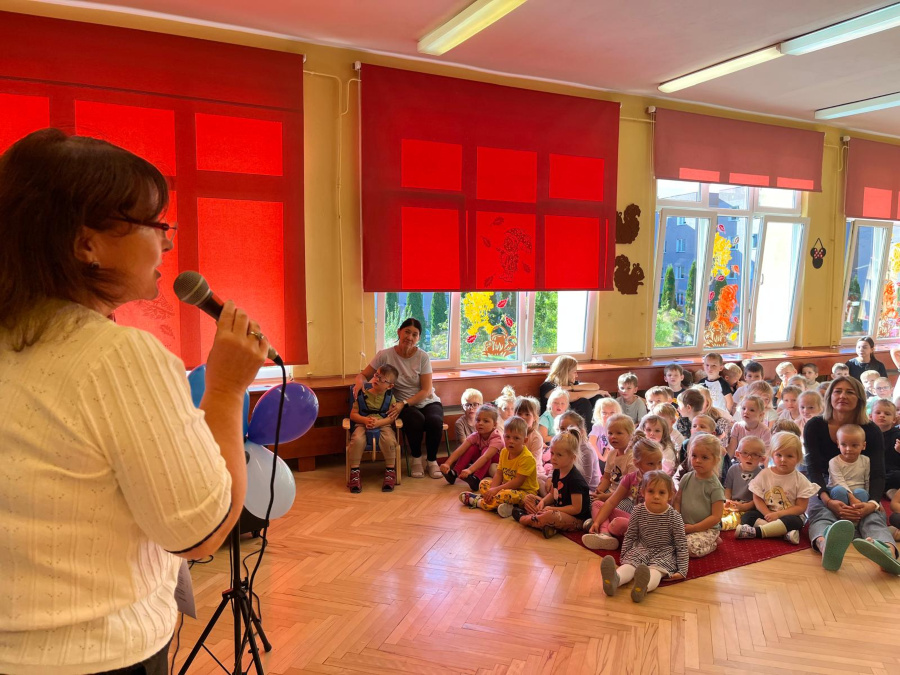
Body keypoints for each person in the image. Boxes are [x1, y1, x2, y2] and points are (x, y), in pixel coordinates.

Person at [0, 129, 268, 674]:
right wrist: (224, 390)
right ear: (85, 243)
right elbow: (200, 534)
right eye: (156, 225)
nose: (167, 244)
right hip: (97, 656)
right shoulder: (117, 357)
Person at [802, 376, 900, 574]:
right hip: (821, 483)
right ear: (829, 396)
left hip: (858, 485)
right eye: (838, 391)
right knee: (820, 512)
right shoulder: (814, 425)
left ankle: (887, 552)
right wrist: (827, 500)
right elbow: (813, 469)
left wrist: (871, 503)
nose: (842, 396)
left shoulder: (870, 430)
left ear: (860, 399)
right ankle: (826, 545)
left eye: (849, 392)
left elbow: (878, 473)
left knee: (874, 515)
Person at [356, 318, 444, 479]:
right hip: (401, 404)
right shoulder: (385, 355)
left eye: (415, 334)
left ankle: (432, 461)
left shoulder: (423, 357)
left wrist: (404, 403)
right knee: (415, 420)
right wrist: (359, 384)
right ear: (399, 332)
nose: (410, 337)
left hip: (424, 400)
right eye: (407, 332)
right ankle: (416, 459)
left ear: (418, 338)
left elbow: (426, 390)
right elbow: (363, 375)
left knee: (434, 421)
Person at [599, 471, 688, 603]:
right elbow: (630, 534)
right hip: (642, 548)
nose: (656, 496)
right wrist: (625, 555)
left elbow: (681, 544)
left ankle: (642, 587)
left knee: (655, 571)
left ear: (670, 495)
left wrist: (682, 569)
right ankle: (614, 580)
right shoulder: (638, 511)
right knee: (629, 565)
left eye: (661, 493)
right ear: (642, 492)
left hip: (664, 553)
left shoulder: (674, 517)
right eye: (651, 491)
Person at [583, 434, 663, 550]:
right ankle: (604, 534)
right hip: (635, 519)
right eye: (651, 464)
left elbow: (672, 509)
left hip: (654, 526)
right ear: (637, 463)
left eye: (659, 462)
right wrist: (597, 522)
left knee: (617, 524)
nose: (657, 467)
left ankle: (623, 537)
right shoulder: (631, 478)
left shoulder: (663, 481)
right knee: (597, 504)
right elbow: (611, 502)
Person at [735, 432, 818, 544]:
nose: (783, 459)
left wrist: (778, 515)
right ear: (772, 455)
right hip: (767, 514)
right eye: (779, 455)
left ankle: (755, 532)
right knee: (748, 517)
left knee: (795, 522)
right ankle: (783, 533)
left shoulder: (800, 480)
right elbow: (757, 498)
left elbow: (800, 507)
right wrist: (767, 513)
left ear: (798, 457)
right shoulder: (764, 474)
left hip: (787, 516)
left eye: (789, 456)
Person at [514, 429, 591, 538]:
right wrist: (543, 502)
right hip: (556, 509)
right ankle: (547, 525)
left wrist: (552, 509)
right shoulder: (557, 471)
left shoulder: (575, 480)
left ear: (572, 458)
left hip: (576, 519)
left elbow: (576, 508)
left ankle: (525, 518)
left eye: (559, 455)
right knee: (529, 498)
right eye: (552, 453)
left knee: (550, 516)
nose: (553, 458)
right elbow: (552, 493)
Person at [459, 416, 539, 512]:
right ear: (503, 436)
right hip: (505, 487)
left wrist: (496, 490)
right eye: (507, 437)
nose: (511, 441)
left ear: (524, 441)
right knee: (484, 483)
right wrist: (492, 490)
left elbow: (517, 482)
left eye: (516, 438)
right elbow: (499, 473)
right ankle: (504, 506)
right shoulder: (504, 451)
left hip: (525, 492)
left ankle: (479, 502)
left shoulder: (527, 458)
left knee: (506, 494)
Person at [347, 364, 401, 493]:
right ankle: (354, 472)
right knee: (357, 440)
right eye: (376, 375)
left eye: (382, 379)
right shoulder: (361, 394)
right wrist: (365, 420)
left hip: (383, 424)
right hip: (362, 423)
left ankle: (390, 470)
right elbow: (353, 415)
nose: (377, 379)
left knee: (389, 440)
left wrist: (380, 423)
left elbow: (392, 417)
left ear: (390, 386)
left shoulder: (390, 397)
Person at [675, 433, 726, 558]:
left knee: (687, 548)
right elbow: (677, 501)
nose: (697, 460)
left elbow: (716, 517)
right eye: (694, 456)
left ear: (715, 460)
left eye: (704, 457)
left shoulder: (715, 486)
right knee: (660, 541)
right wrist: (677, 521)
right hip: (685, 526)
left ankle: (713, 542)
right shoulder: (686, 478)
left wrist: (694, 528)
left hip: (706, 529)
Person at [441, 404, 502, 490]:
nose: (480, 423)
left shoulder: (497, 438)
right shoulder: (476, 435)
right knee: (472, 448)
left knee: (485, 450)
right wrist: (447, 463)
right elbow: (460, 450)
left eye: (486, 421)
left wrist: (470, 470)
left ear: (494, 424)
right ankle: (454, 473)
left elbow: (486, 457)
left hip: (495, 467)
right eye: (478, 420)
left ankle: (477, 479)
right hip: (481, 464)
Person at [539, 354, 605, 422]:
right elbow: (575, 396)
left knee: (597, 397)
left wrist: (570, 387)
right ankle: (587, 431)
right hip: (554, 422)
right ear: (565, 373)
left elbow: (596, 386)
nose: (576, 375)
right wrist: (597, 391)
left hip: (570, 417)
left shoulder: (570, 384)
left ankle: (601, 427)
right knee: (583, 402)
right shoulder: (548, 386)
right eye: (574, 372)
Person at [557, 410, 602, 492]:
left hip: (587, 489)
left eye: (571, 429)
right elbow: (555, 466)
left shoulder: (587, 451)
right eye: (562, 429)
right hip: (567, 483)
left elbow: (585, 482)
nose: (565, 433)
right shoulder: (561, 445)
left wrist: (563, 488)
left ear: (580, 431)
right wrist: (550, 478)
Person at [827, 424, 870, 506]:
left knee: (862, 492)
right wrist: (851, 497)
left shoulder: (866, 460)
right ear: (838, 444)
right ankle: (842, 513)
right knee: (839, 490)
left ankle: (857, 514)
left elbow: (867, 481)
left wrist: (872, 501)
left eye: (854, 445)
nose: (848, 449)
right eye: (843, 444)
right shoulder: (834, 461)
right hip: (839, 490)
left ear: (863, 446)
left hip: (858, 491)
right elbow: (838, 481)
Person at [514, 396, 549, 495]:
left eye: (527, 414)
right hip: (514, 469)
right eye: (519, 414)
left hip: (532, 472)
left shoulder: (536, 437)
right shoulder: (511, 433)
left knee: (540, 484)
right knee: (494, 468)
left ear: (534, 418)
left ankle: (545, 502)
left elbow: (533, 462)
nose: (523, 417)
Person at [723, 436, 765, 518]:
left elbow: (759, 499)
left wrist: (744, 507)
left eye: (755, 454)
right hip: (733, 504)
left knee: (748, 517)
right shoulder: (733, 469)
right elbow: (728, 490)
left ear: (762, 459)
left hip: (750, 507)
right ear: (737, 454)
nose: (749, 457)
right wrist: (727, 501)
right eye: (745, 453)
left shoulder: (761, 474)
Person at [727, 395, 772, 461]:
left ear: (761, 414)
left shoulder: (765, 431)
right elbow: (732, 448)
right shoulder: (737, 426)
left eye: (752, 410)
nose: (746, 412)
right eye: (744, 408)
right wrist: (726, 463)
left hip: (756, 463)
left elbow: (766, 452)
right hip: (738, 462)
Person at [870, 399, 900, 492]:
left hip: (892, 471)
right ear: (870, 416)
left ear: (894, 419)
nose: (882, 415)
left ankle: (887, 491)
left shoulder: (897, 435)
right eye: (878, 413)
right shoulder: (867, 434)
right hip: (873, 471)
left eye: (887, 414)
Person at [588, 397, 622, 465]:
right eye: (604, 413)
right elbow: (591, 443)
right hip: (600, 459)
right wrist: (602, 458)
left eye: (612, 413)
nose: (608, 416)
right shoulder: (598, 426)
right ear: (599, 413)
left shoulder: (619, 425)